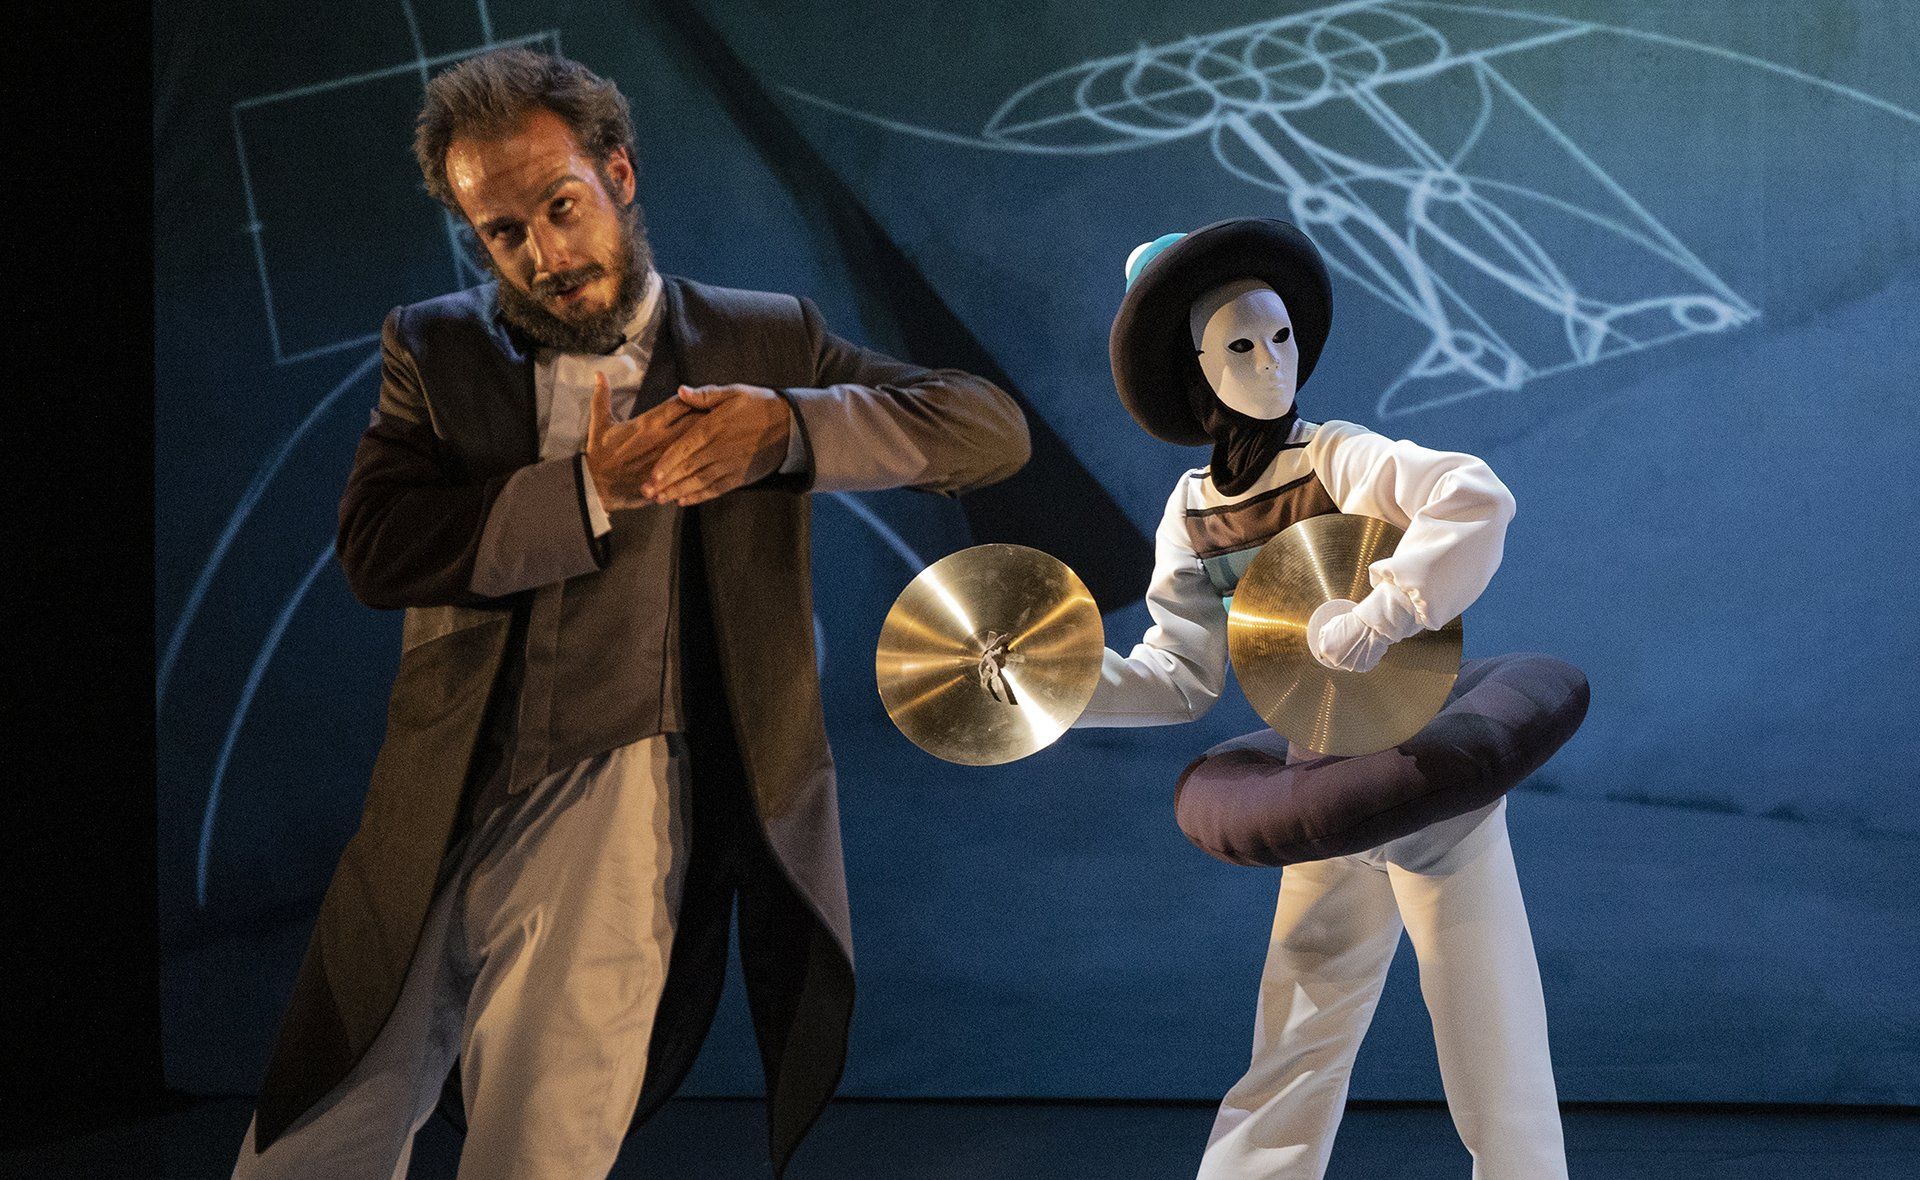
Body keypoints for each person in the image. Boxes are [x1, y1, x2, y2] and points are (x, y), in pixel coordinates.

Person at [231, 47, 1029, 1180]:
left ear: (618, 174)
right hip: (434, 805)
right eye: (504, 233)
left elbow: (988, 430)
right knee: (308, 1146)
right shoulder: (438, 348)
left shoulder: (761, 339)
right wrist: (587, 491)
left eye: (561, 207)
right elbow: (379, 547)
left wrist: (788, 428)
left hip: (623, 808)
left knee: (540, 1150)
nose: (545, 256)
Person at [1078, 219, 1567, 1178]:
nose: (1271, 362)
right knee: (1298, 1030)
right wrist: (1060, 684)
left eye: (1282, 336)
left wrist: (1387, 609)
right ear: (1196, 369)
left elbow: (1472, 495)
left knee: (1486, 1023)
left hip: (1421, 769)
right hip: (1323, 777)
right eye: (1241, 346)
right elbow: (1179, 675)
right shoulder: (1193, 512)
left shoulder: (1334, 457)